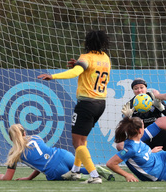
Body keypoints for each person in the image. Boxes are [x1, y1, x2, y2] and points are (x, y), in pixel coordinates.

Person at [38, 30, 112, 184]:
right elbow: (89, 71)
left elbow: (75, 72)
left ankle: (94, 175)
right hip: (100, 103)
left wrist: (53, 76)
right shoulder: (105, 58)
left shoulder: (86, 57)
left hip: (86, 104)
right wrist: (78, 66)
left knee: (77, 143)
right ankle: (75, 171)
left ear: (88, 42)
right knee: (82, 140)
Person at [0, 124, 113, 181]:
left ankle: (86, 176)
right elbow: (41, 157)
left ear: (11, 138)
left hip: (54, 170)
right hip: (63, 154)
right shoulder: (36, 137)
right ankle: (95, 170)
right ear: (24, 133)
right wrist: (29, 177)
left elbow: (8, 178)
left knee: (73, 177)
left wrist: (0, 177)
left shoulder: (14, 154)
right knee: (75, 169)